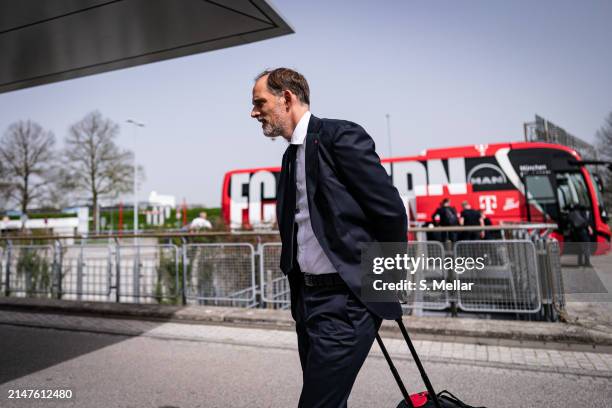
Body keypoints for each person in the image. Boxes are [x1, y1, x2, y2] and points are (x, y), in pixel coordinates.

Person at [251, 68, 406, 408]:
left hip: (347, 302)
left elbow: (390, 211)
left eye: (259, 102)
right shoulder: (291, 154)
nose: (253, 112)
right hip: (309, 301)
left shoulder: (340, 136)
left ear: (286, 98)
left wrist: (384, 283)